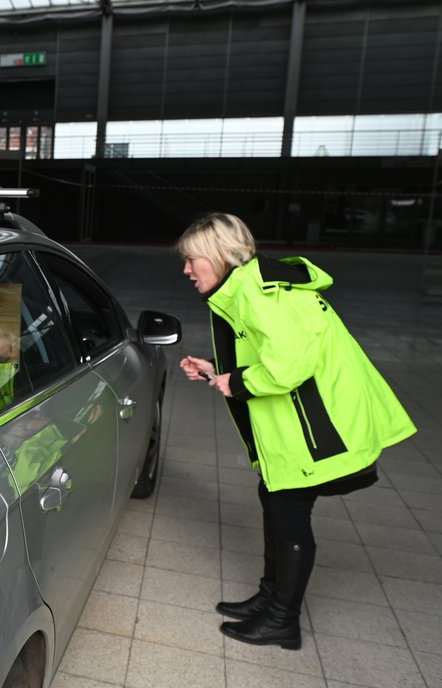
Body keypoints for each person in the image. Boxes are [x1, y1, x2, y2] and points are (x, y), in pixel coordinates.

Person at [176, 212, 416, 650]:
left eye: (193, 260)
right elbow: (280, 352)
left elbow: (290, 365)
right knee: (275, 498)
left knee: (287, 511)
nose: (187, 270)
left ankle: (282, 620)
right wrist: (220, 371)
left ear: (218, 255)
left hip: (315, 426)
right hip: (303, 421)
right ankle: (270, 600)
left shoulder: (261, 293)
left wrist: (239, 382)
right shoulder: (254, 285)